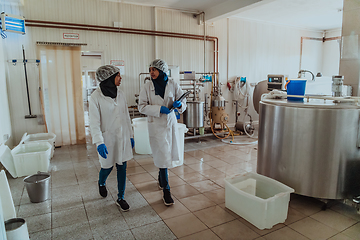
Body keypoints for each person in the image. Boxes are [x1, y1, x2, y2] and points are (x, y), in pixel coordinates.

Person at [138, 59, 187, 206]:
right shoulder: (147, 86)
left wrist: (179, 105)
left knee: (166, 155)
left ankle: (161, 177)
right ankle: (166, 190)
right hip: (156, 124)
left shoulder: (173, 84)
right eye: (150, 69)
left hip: (170, 123)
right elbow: (141, 106)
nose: (152, 72)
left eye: (154, 69)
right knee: (162, 155)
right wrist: (159, 109)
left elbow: (183, 102)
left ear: (162, 71)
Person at [89, 65, 135, 211]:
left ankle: (120, 197)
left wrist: (131, 135)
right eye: (118, 75)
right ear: (109, 78)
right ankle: (101, 182)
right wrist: (99, 142)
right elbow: (94, 123)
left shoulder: (120, 93)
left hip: (123, 137)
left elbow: (126, 117)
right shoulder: (95, 97)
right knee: (107, 167)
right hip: (107, 139)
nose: (120, 78)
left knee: (122, 167)